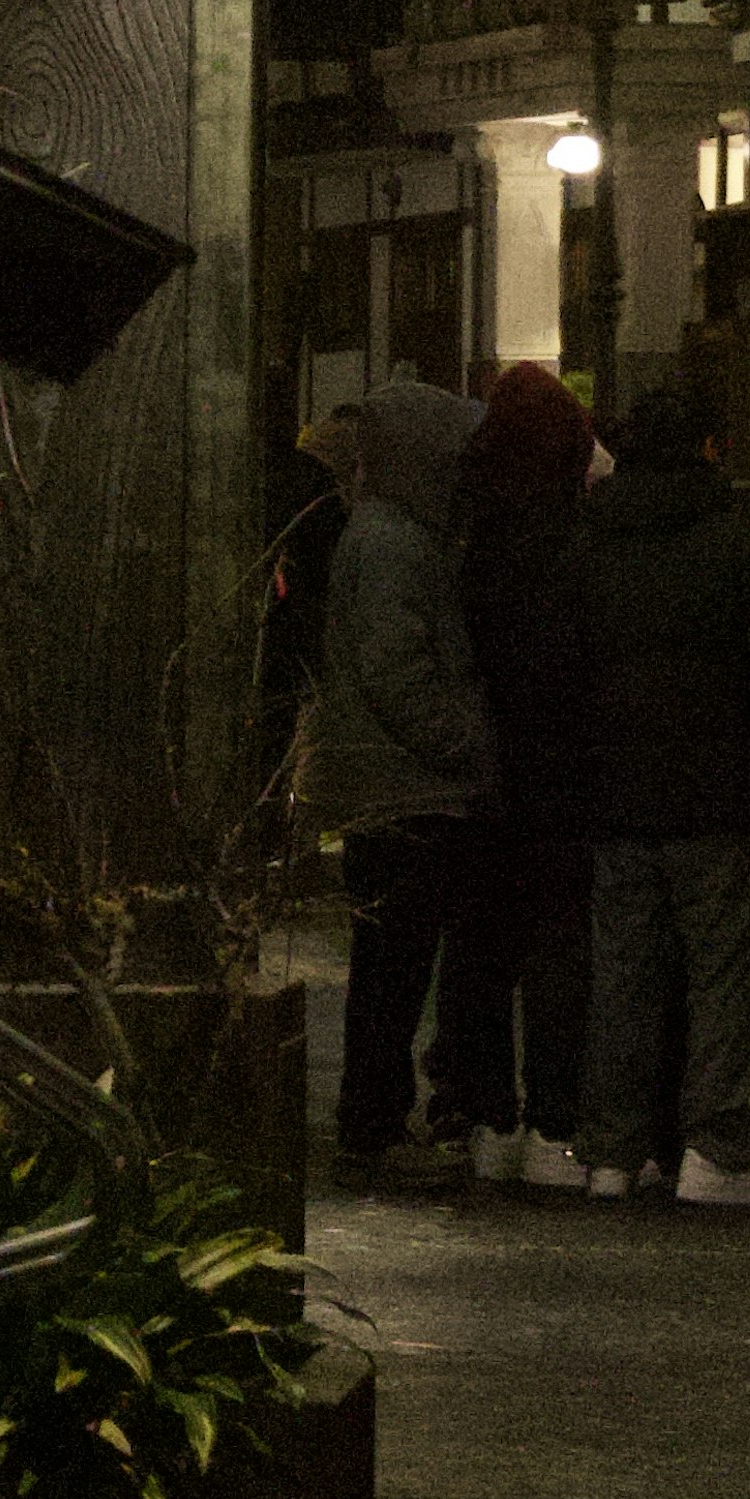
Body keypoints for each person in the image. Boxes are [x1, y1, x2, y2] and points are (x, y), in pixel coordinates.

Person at [568, 379, 750, 1208]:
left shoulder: (592, 541)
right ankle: (713, 1148)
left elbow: (563, 669)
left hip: (615, 794)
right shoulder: (740, 544)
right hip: (720, 798)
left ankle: (611, 1149)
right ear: (709, 446)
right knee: (723, 975)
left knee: (622, 976)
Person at [304, 382, 501, 1189]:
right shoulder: (395, 544)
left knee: (389, 968)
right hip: (407, 791)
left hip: (392, 785)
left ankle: (373, 1119)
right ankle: (374, 1124)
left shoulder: (384, 533)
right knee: (393, 972)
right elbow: (397, 669)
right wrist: (467, 742)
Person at [456, 363, 601, 1188]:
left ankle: (490, 1119)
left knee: (481, 950)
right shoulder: (576, 540)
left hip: (483, 766)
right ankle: (553, 1123)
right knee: (558, 950)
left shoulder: (472, 537)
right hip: (562, 767)